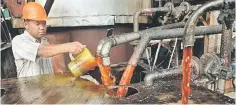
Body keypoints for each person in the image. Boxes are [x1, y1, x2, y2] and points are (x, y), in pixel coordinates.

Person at [12, 2, 85, 77]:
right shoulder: (18, 41)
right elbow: (40, 51)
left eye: (44, 23)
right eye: (37, 24)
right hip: (28, 88)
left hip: (45, 86)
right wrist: (68, 47)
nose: (42, 27)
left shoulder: (45, 41)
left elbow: (56, 65)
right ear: (26, 24)